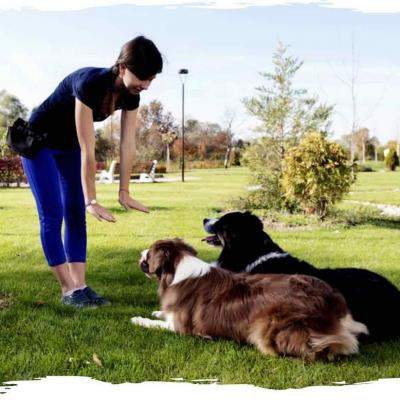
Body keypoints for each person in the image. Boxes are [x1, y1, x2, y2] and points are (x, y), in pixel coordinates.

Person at [22, 36, 163, 307]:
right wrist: (92, 200)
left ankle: (80, 286)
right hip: (38, 142)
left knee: (76, 215)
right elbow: (89, 148)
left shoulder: (131, 95)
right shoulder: (89, 83)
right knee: (53, 214)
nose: (145, 85)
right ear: (122, 68)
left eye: (151, 79)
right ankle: (68, 290)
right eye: (142, 77)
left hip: (67, 146)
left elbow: (128, 143)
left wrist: (125, 191)